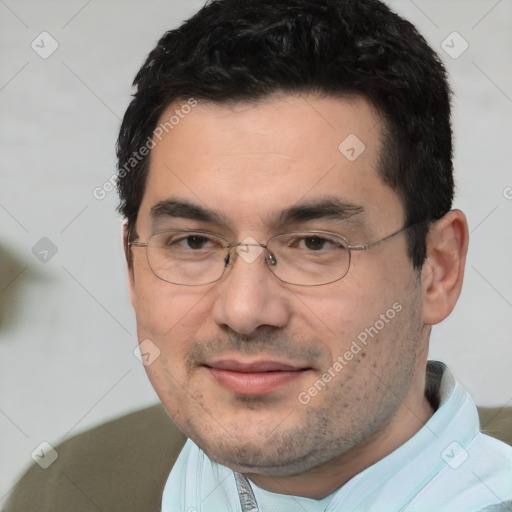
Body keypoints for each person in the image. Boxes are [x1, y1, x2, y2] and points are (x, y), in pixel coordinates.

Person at [5, 0, 512, 511]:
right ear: (133, 268)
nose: (244, 310)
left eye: (315, 243)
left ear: (437, 270)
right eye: (194, 242)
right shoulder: (64, 490)